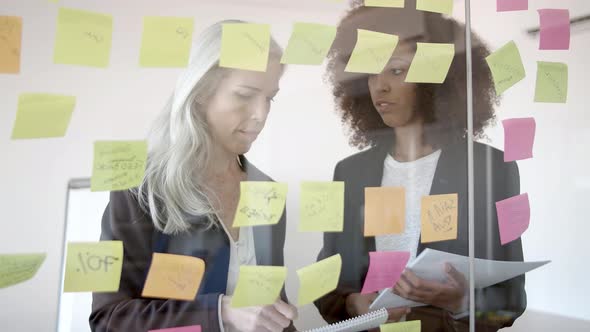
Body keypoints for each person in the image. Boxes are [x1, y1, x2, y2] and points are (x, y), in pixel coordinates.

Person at [315, 2, 526, 331]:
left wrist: (460, 302)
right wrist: (353, 303)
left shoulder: (491, 169)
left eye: (396, 70)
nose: (379, 85)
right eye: (371, 72)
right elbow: (327, 277)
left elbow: (511, 300)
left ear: (437, 78)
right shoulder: (349, 173)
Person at [90, 21, 297, 332]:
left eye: (270, 98)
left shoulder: (266, 191)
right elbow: (109, 319)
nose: (261, 114)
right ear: (201, 92)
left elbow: (268, 310)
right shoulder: (139, 187)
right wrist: (220, 311)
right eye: (245, 94)